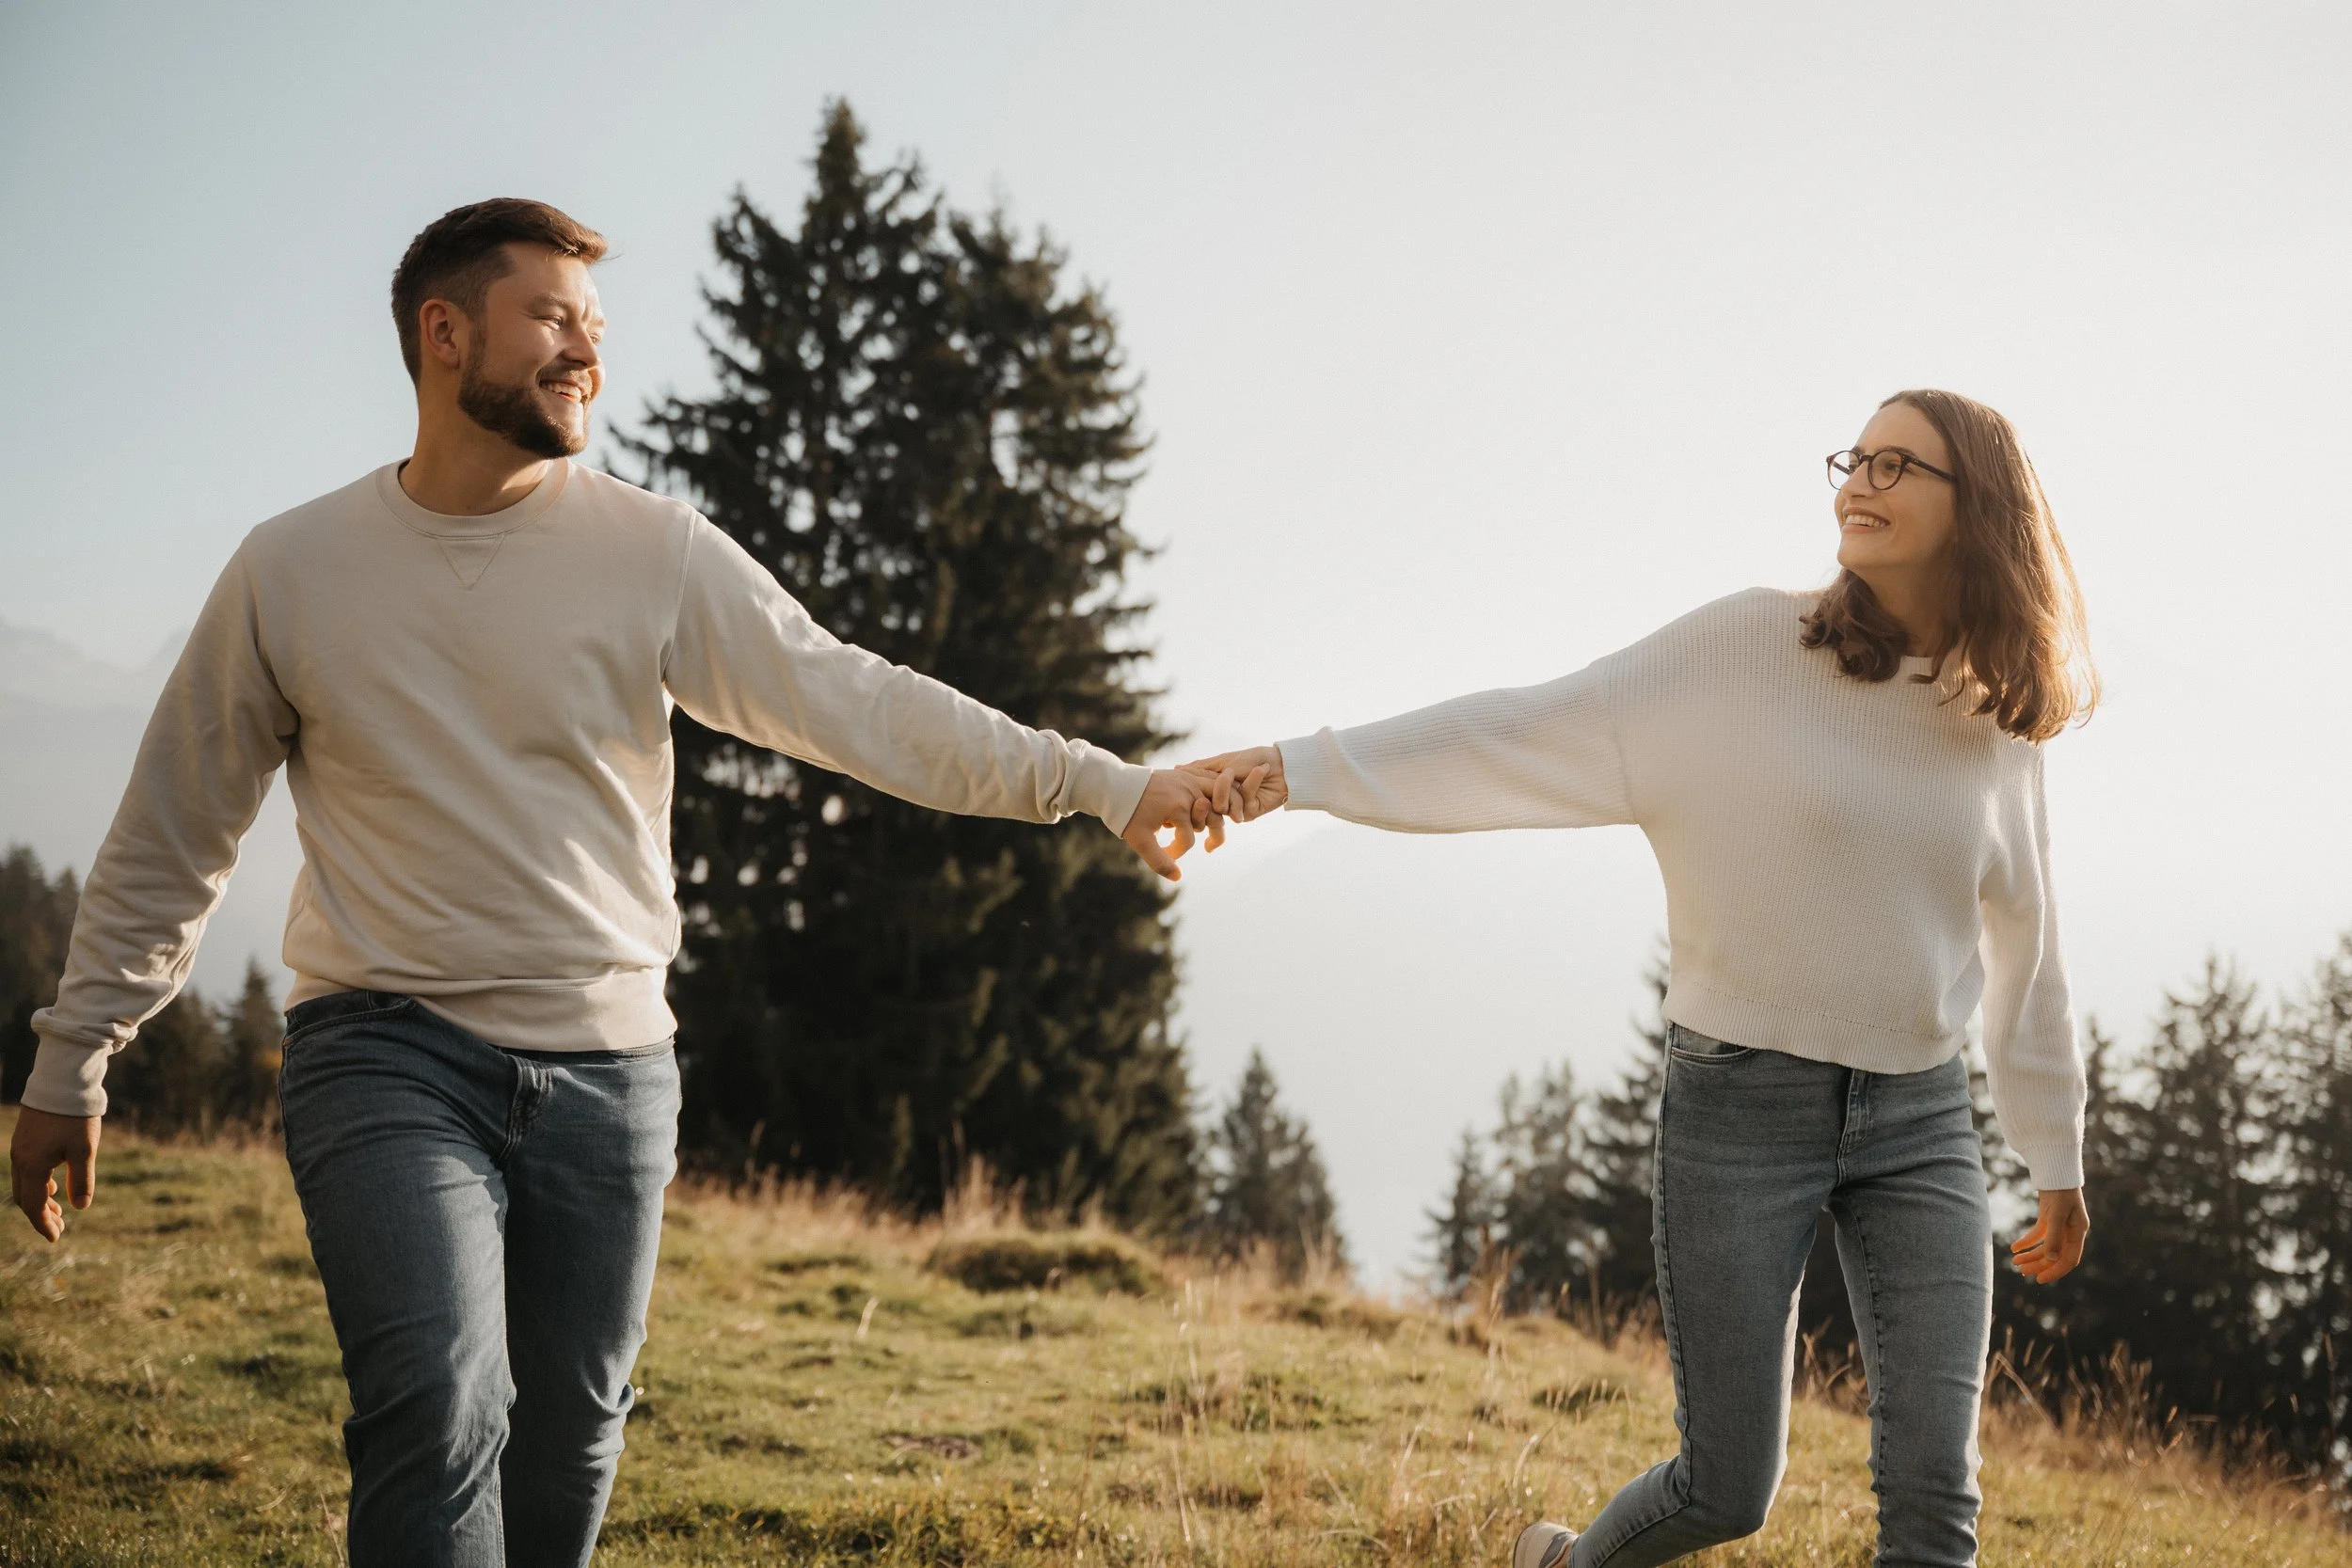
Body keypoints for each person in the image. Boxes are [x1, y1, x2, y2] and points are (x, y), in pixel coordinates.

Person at [8, 198, 1221, 1568]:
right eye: (552, 319)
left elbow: (855, 703)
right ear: (443, 331)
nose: (586, 353)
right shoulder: (290, 570)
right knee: (439, 1404)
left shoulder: (653, 551)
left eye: (597, 329)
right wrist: (75, 1056)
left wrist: (1103, 783)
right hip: (384, 1049)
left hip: (612, 1068)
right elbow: (178, 822)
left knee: (575, 1428)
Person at [1193, 389, 2095, 1568]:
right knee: (1727, 1488)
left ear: (1975, 503)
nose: (1857, 481)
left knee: (1936, 1514)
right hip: (1739, 1108)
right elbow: (1522, 728)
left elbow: (2028, 956)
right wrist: (1291, 769)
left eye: (1896, 464)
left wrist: (2058, 1158)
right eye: (1853, 457)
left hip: (1923, 1121)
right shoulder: (1745, 650)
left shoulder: (1997, 719)